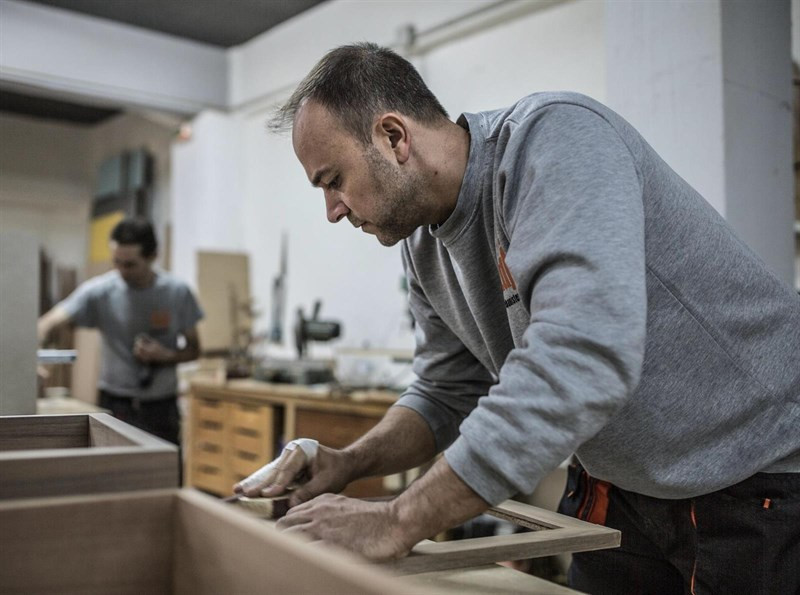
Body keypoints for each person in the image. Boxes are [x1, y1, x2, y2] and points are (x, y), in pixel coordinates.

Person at [235, 43, 800, 593]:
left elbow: (581, 361)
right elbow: (444, 393)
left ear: (393, 137)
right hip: (623, 481)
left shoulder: (556, 140)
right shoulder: (422, 246)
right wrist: (348, 462)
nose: (332, 210)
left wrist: (397, 520)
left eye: (333, 180)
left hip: (750, 472)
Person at [38, 218, 203, 445]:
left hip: (161, 408)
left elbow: (195, 350)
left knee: (164, 474)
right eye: (116, 261)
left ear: (152, 256)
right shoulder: (100, 291)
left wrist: (165, 355)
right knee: (113, 475)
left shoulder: (177, 293)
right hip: (115, 404)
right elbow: (47, 323)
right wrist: (35, 359)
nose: (121, 270)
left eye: (130, 264)